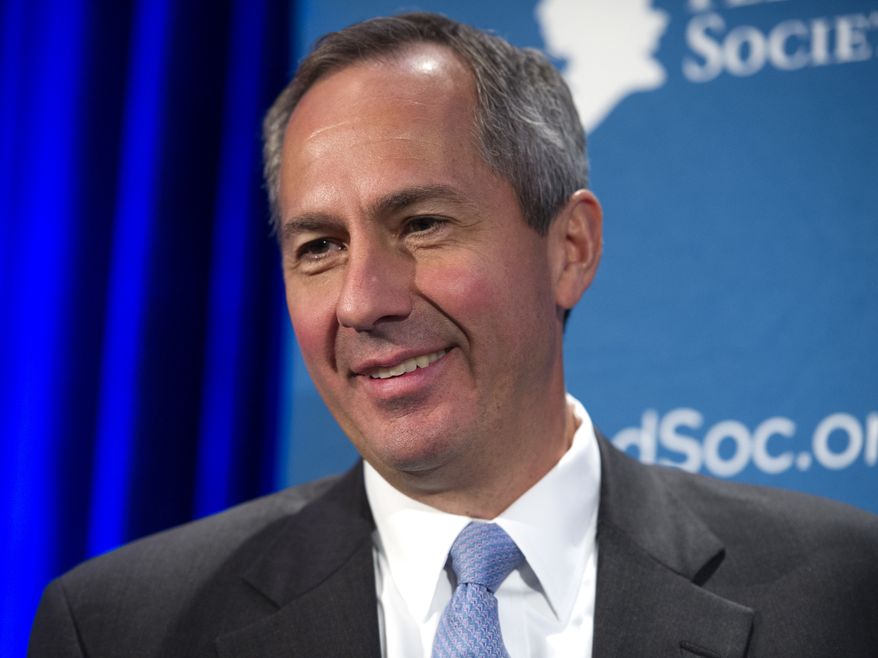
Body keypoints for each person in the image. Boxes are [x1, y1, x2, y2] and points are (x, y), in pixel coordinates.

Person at [29, 12, 878, 658]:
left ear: (570, 249)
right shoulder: (118, 628)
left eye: (423, 224)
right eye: (319, 247)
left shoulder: (843, 591)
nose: (363, 300)